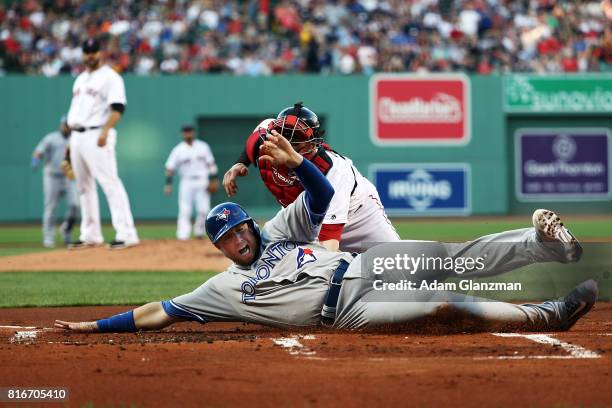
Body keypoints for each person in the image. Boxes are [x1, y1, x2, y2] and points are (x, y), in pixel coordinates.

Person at [55, 132, 597, 334]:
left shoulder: (276, 232)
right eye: (228, 239)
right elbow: (158, 312)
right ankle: (548, 315)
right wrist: (94, 327)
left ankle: (542, 245)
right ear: (219, 247)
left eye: (240, 228)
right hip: (347, 313)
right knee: (442, 308)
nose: (239, 240)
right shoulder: (220, 288)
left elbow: (318, 198)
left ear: (248, 225)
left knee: (452, 259)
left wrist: (298, 163)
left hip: (364, 266)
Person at [223, 102, 399, 254]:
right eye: (282, 135)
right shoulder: (264, 138)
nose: (287, 143)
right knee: (273, 262)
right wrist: (241, 163)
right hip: (305, 218)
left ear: (313, 143)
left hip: (359, 217)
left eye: (296, 141)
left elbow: (329, 241)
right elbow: (253, 140)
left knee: (397, 265)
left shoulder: (333, 171)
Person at [66, 38, 139, 250]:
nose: (90, 55)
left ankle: (127, 234)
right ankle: (90, 234)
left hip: (98, 132)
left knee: (110, 183)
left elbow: (118, 108)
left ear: (100, 53)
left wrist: (106, 131)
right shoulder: (80, 79)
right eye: (87, 51)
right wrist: (71, 143)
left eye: (94, 51)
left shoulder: (110, 77)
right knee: (83, 187)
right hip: (77, 135)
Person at [164, 125, 219, 240]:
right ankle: (183, 236)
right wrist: (168, 184)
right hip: (186, 182)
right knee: (185, 210)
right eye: (185, 132)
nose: (188, 134)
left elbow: (211, 164)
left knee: (203, 209)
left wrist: (214, 179)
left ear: (193, 133)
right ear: (182, 134)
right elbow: (170, 168)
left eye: (189, 132)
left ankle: (200, 233)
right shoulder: (178, 150)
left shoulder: (203, 147)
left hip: (202, 181)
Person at [31, 115, 79, 248]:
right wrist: (36, 160)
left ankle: (66, 231)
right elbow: (38, 151)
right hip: (52, 176)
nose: (66, 127)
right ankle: (48, 238)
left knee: (75, 205)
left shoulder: (75, 139)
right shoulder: (51, 138)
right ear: (61, 125)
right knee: (51, 207)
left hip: (69, 176)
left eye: (68, 125)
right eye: (65, 124)